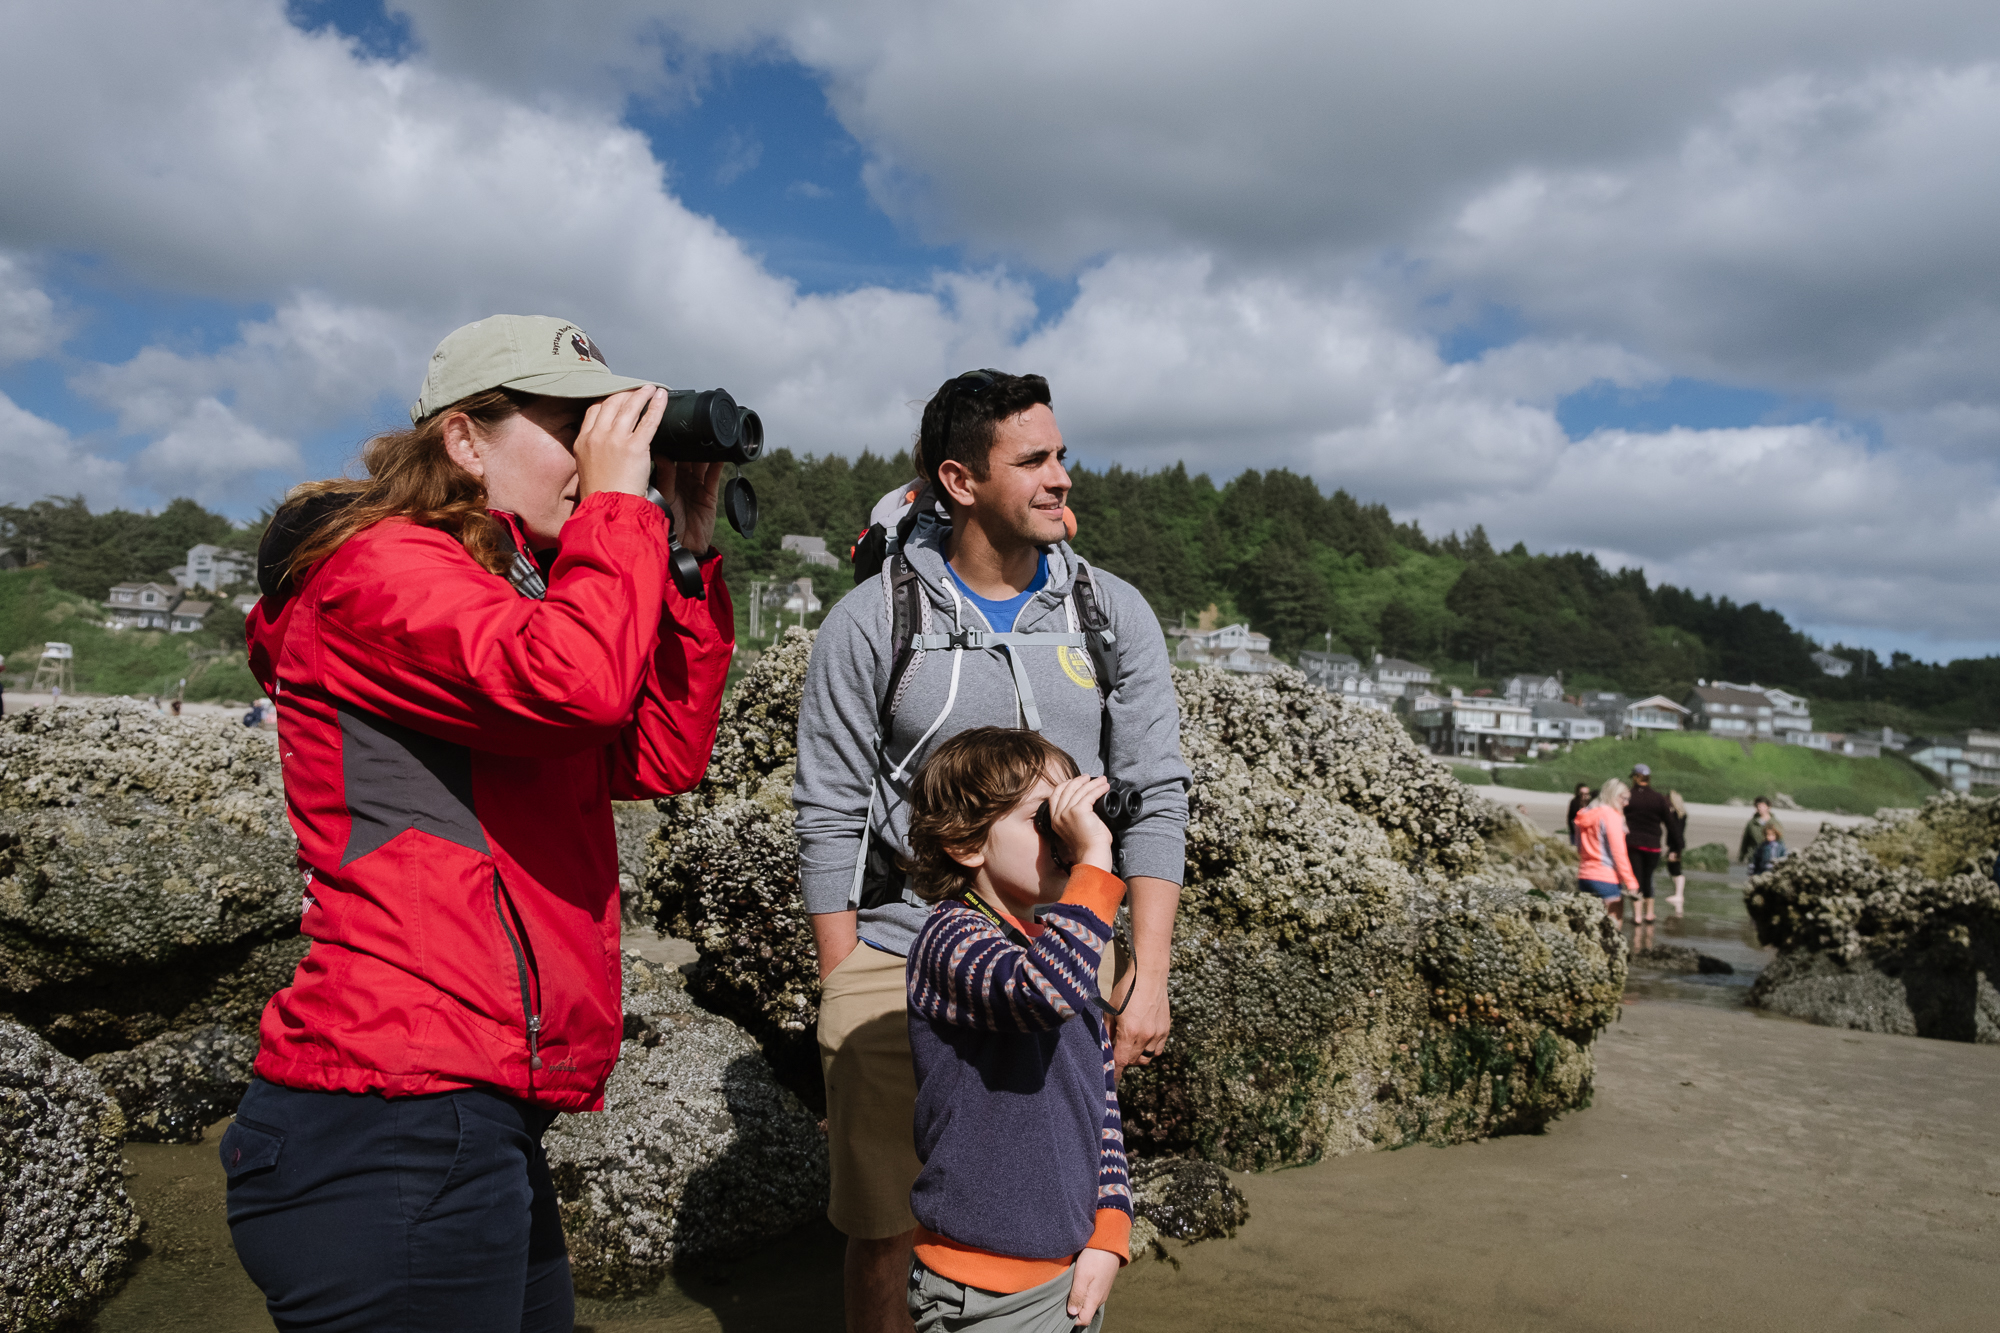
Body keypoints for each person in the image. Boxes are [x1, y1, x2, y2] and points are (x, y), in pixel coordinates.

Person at [219, 314, 734, 1331]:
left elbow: (653, 754)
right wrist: (619, 516)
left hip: (459, 1115)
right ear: (463, 439)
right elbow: (576, 688)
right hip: (384, 1120)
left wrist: (681, 557)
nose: (600, 452)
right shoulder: (379, 569)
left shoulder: (509, 593)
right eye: (574, 424)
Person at [795, 369, 1189, 1333]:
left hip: (1064, 953)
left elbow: (1159, 794)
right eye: (1035, 460)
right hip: (896, 946)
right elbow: (829, 810)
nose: (1062, 477)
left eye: (1062, 455)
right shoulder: (873, 620)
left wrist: (1149, 970)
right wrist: (846, 979)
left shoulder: (1111, 612)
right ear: (960, 480)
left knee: (1051, 1197)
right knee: (885, 1223)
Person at [902, 727, 1130, 1332]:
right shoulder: (949, 940)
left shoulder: (1064, 951)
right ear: (965, 842)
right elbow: (1040, 993)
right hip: (984, 1286)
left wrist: (1109, 1232)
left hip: (1071, 1272)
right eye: (1045, 821)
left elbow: (1101, 1106)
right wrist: (1095, 863)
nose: (1069, 838)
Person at [1572, 778, 1638, 920]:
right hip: (1606, 878)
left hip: (1584, 876)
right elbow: (1618, 852)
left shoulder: (1584, 814)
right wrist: (1630, 881)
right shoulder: (1611, 816)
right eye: (1624, 798)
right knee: (1613, 928)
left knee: (1590, 925)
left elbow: (1578, 847)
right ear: (1613, 796)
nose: (1626, 803)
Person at [1624, 763, 1671, 924]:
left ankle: (1637, 916)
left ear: (1635, 778)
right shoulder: (1658, 798)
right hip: (1653, 845)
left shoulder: (1628, 796)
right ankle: (1649, 914)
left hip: (1632, 844)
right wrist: (1676, 845)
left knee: (1635, 878)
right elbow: (1670, 823)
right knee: (1648, 877)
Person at [1663, 789, 1690, 914]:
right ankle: (1678, 894)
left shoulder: (1675, 816)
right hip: (1677, 844)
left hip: (1676, 844)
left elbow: (1676, 833)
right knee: (1674, 868)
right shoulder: (1682, 814)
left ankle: (1679, 895)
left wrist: (1675, 849)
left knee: (1675, 869)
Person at [1738, 797, 1783, 862]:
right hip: (1754, 857)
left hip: (1771, 858)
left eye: (1762, 806)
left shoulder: (1775, 823)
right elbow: (1745, 841)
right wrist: (1741, 857)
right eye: (1758, 806)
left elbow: (1781, 841)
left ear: (1768, 807)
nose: (1760, 808)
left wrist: (1781, 857)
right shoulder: (1752, 823)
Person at [1564, 783, 1593, 847]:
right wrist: (1572, 830)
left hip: (1587, 834)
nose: (1584, 796)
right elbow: (1570, 817)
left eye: (1586, 794)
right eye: (1581, 794)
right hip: (1575, 834)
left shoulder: (1591, 804)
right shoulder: (1574, 803)